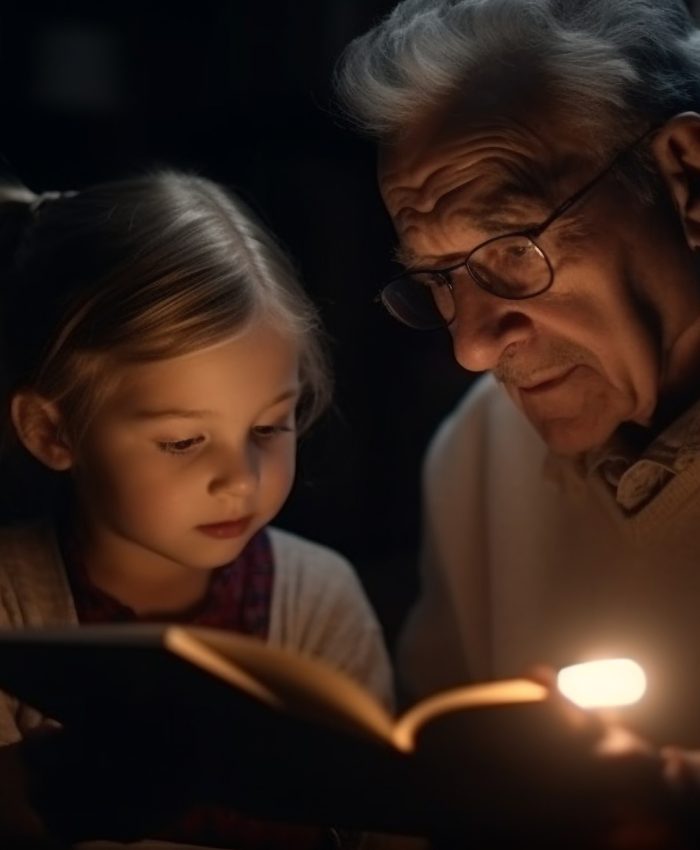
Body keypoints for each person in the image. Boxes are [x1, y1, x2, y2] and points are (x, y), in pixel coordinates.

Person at [336, 0, 700, 844]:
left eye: (509, 248)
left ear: (687, 176)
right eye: (438, 279)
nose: (470, 346)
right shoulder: (480, 449)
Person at [0, 172, 394, 850]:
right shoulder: (10, 603)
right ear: (51, 432)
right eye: (183, 442)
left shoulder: (318, 601)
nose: (240, 480)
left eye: (272, 426)